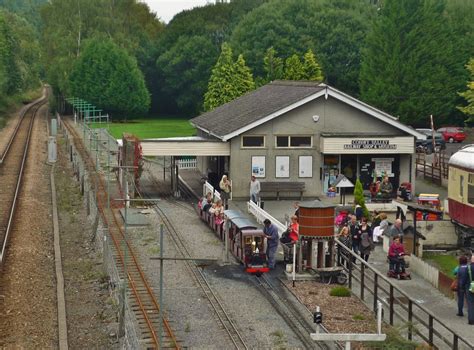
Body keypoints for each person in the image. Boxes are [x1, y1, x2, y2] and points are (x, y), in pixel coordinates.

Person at [458, 256, 474, 324]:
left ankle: (471, 320)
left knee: (470, 303)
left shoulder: (469, 267)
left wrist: (462, 286)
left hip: (469, 287)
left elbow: (464, 278)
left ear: (471, 260)